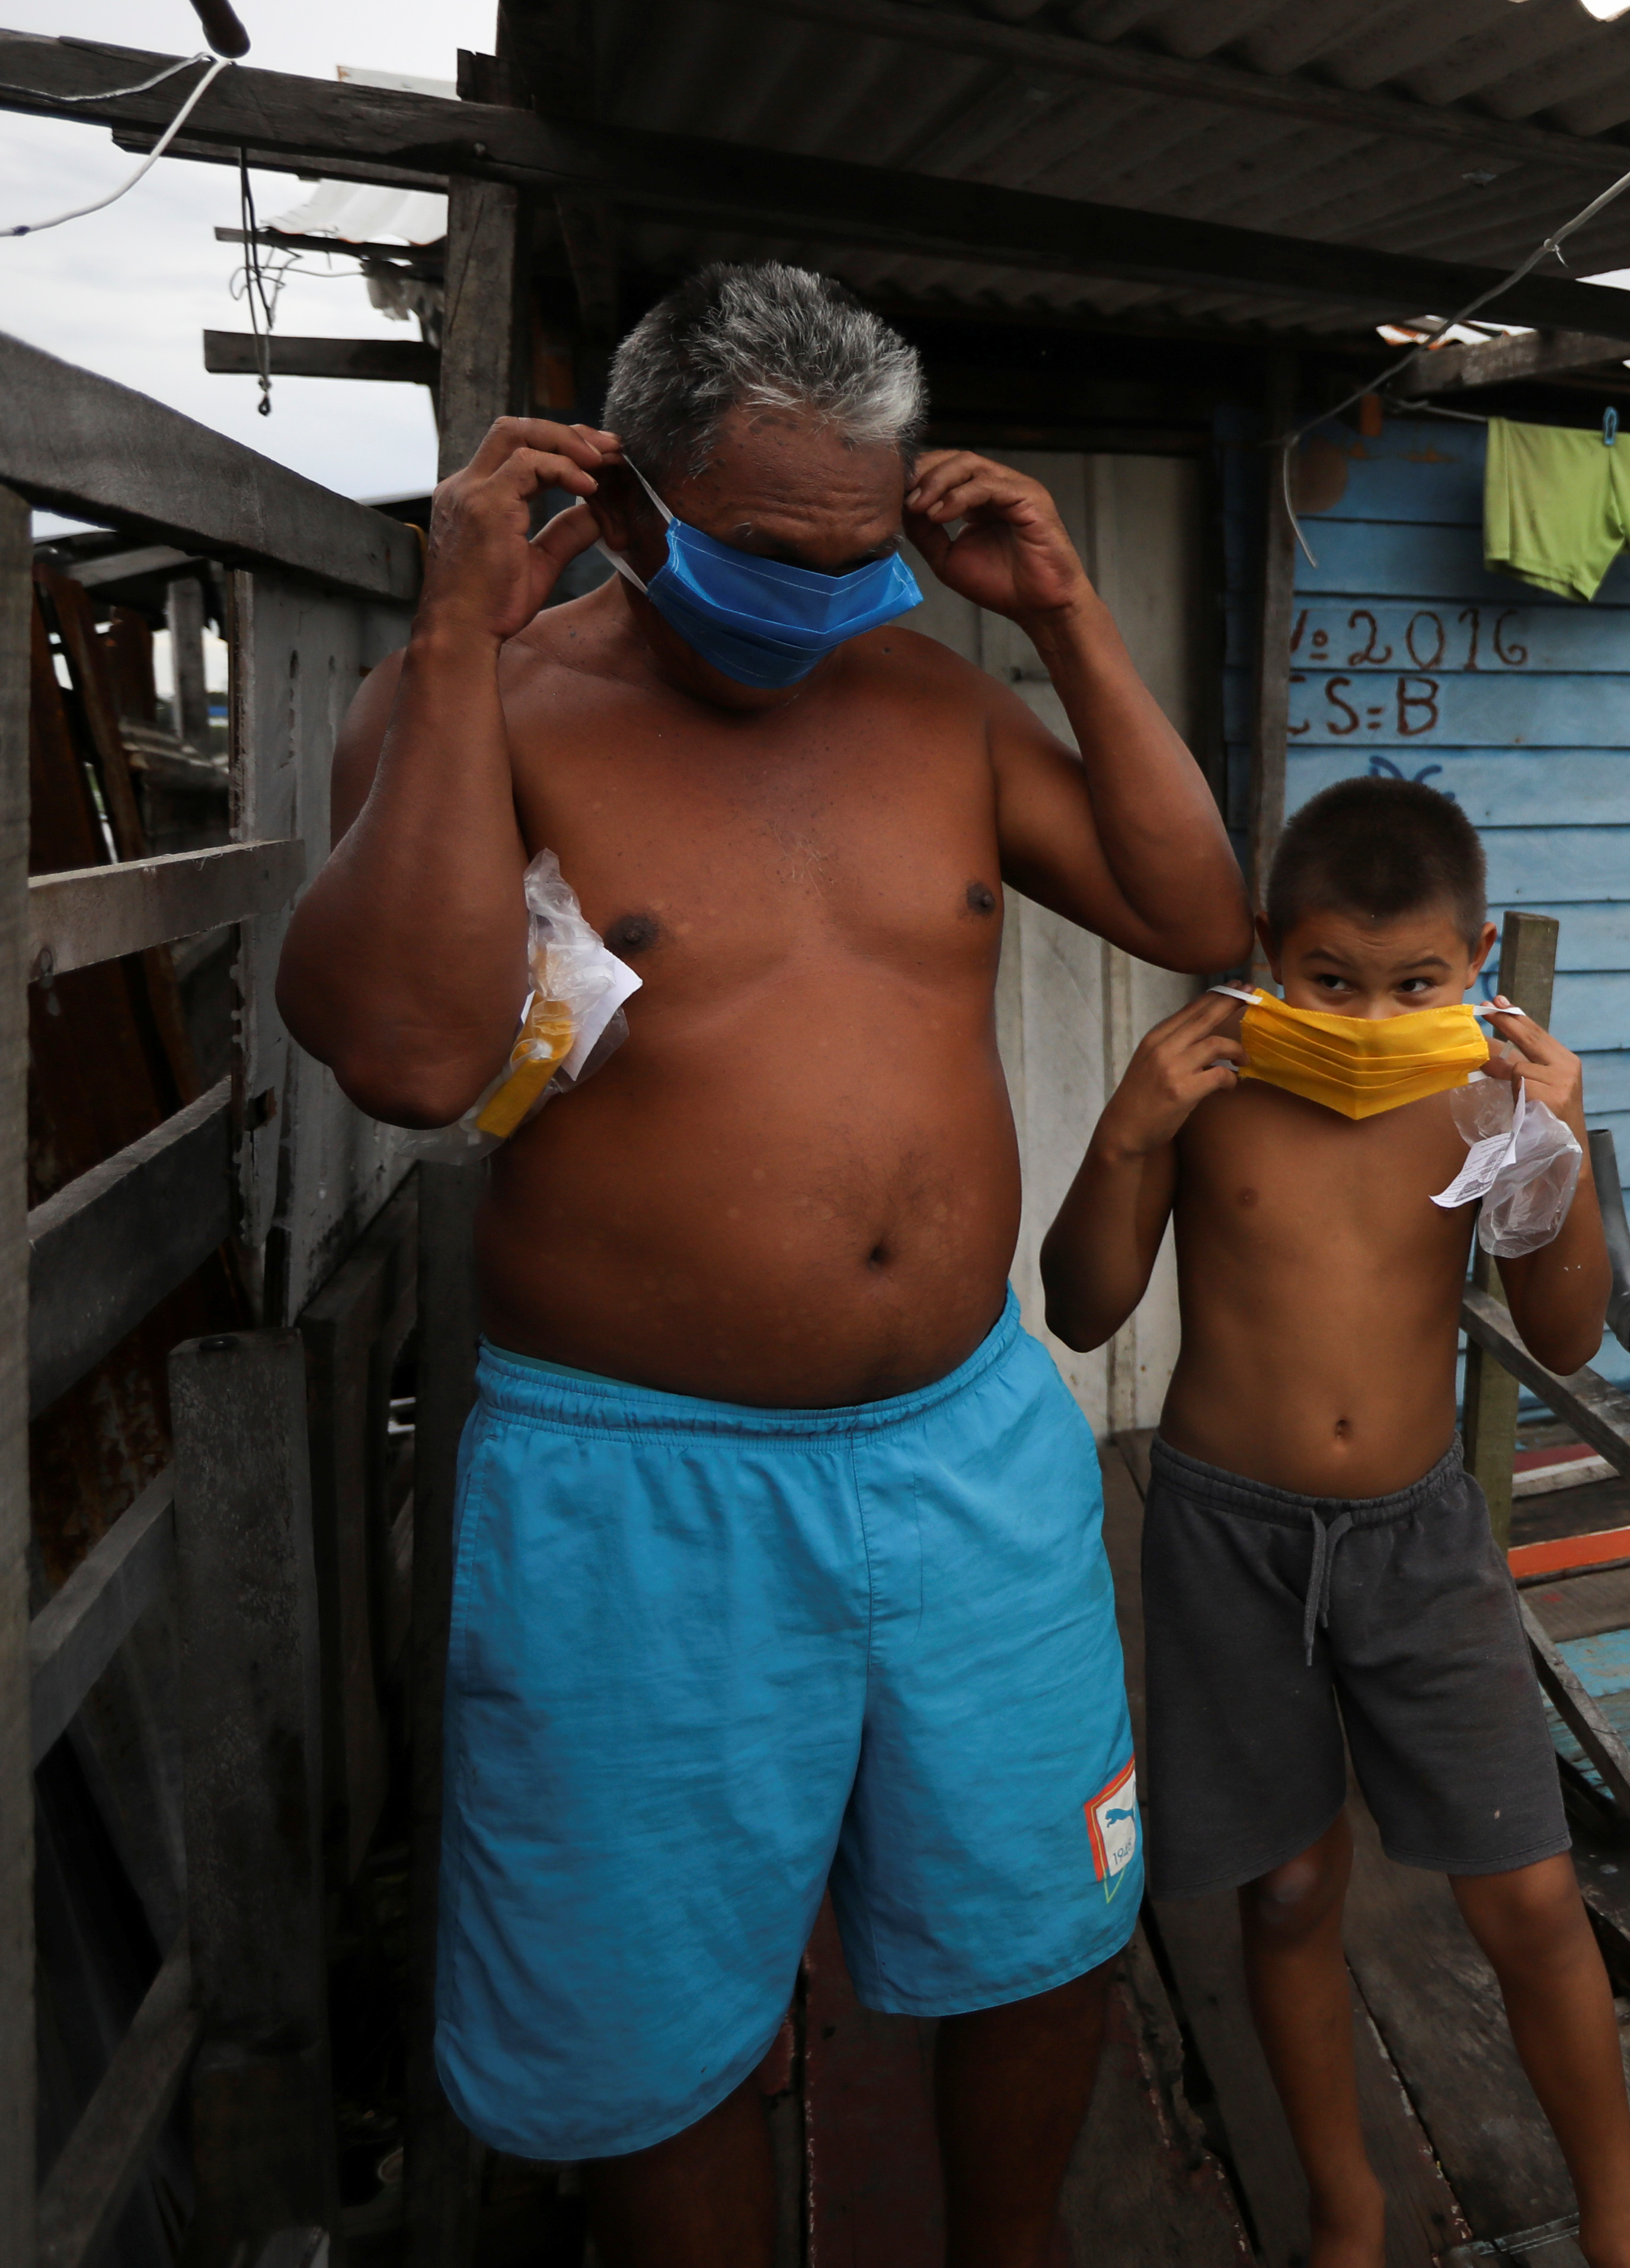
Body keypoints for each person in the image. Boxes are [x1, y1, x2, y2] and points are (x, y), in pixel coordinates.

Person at [276, 262, 1254, 2266]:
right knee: (652, 2007)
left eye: (856, 552)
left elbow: (1193, 902)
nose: (814, 596)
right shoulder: (492, 704)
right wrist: (455, 637)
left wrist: (1062, 613)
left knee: (1041, 1917)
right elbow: (401, 1050)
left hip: (971, 1445)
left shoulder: (933, 704)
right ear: (620, 496)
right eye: (762, 551)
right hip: (639, 1484)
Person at [1039, 777, 1630, 2268]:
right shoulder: (1212, 1094)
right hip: (1222, 1534)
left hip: (1417, 1537)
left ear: (1482, 961)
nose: (1375, 1020)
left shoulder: (1491, 1107)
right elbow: (1082, 1307)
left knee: (1524, 1890)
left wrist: (1560, 1142)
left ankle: (1623, 2221)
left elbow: (1568, 1337)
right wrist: (1130, 1130)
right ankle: (1344, 2208)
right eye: (1332, 982)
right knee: (1288, 1882)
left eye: (1417, 986)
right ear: (1268, 951)